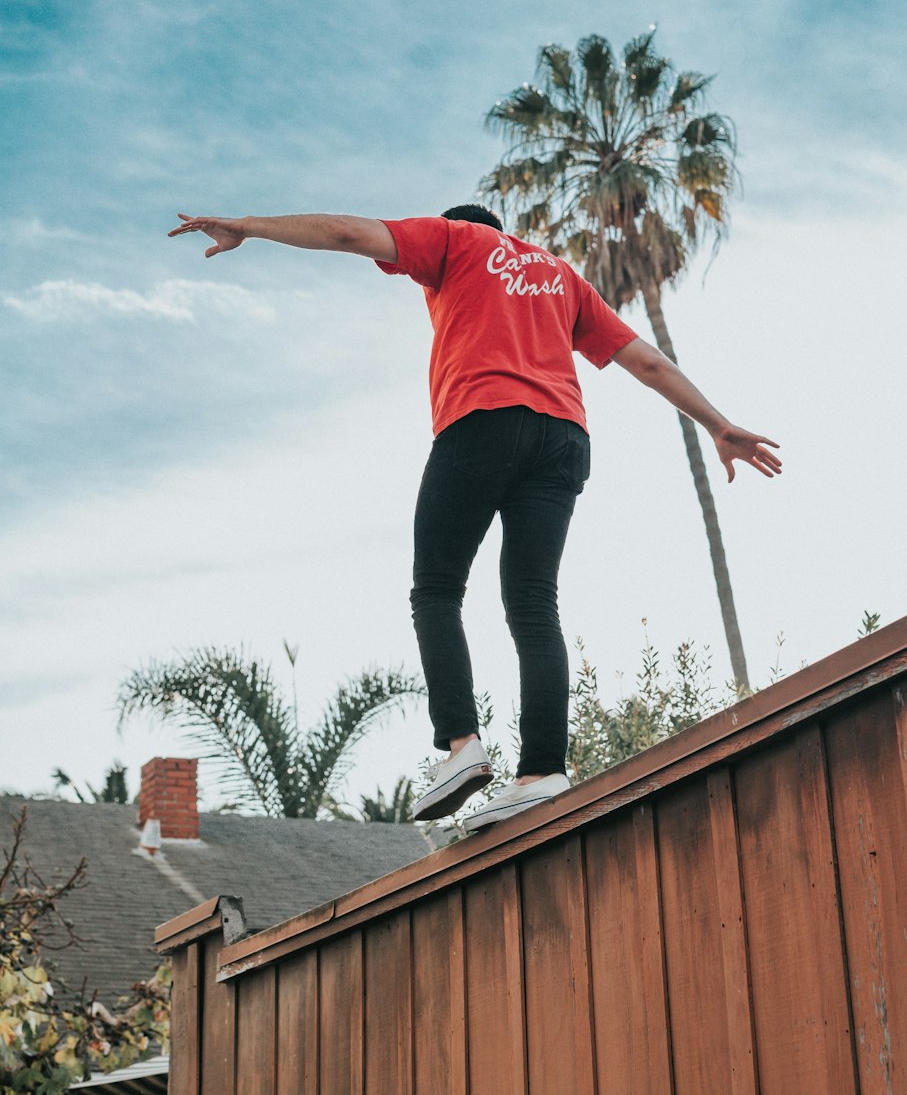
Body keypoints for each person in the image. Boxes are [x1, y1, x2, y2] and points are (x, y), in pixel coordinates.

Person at [169, 203, 781, 830]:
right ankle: (543, 772)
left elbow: (349, 232)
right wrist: (719, 424)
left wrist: (251, 226)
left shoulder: (454, 241)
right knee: (534, 603)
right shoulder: (557, 275)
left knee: (436, 588)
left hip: (483, 422)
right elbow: (643, 360)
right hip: (564, 437)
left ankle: (462, 747)